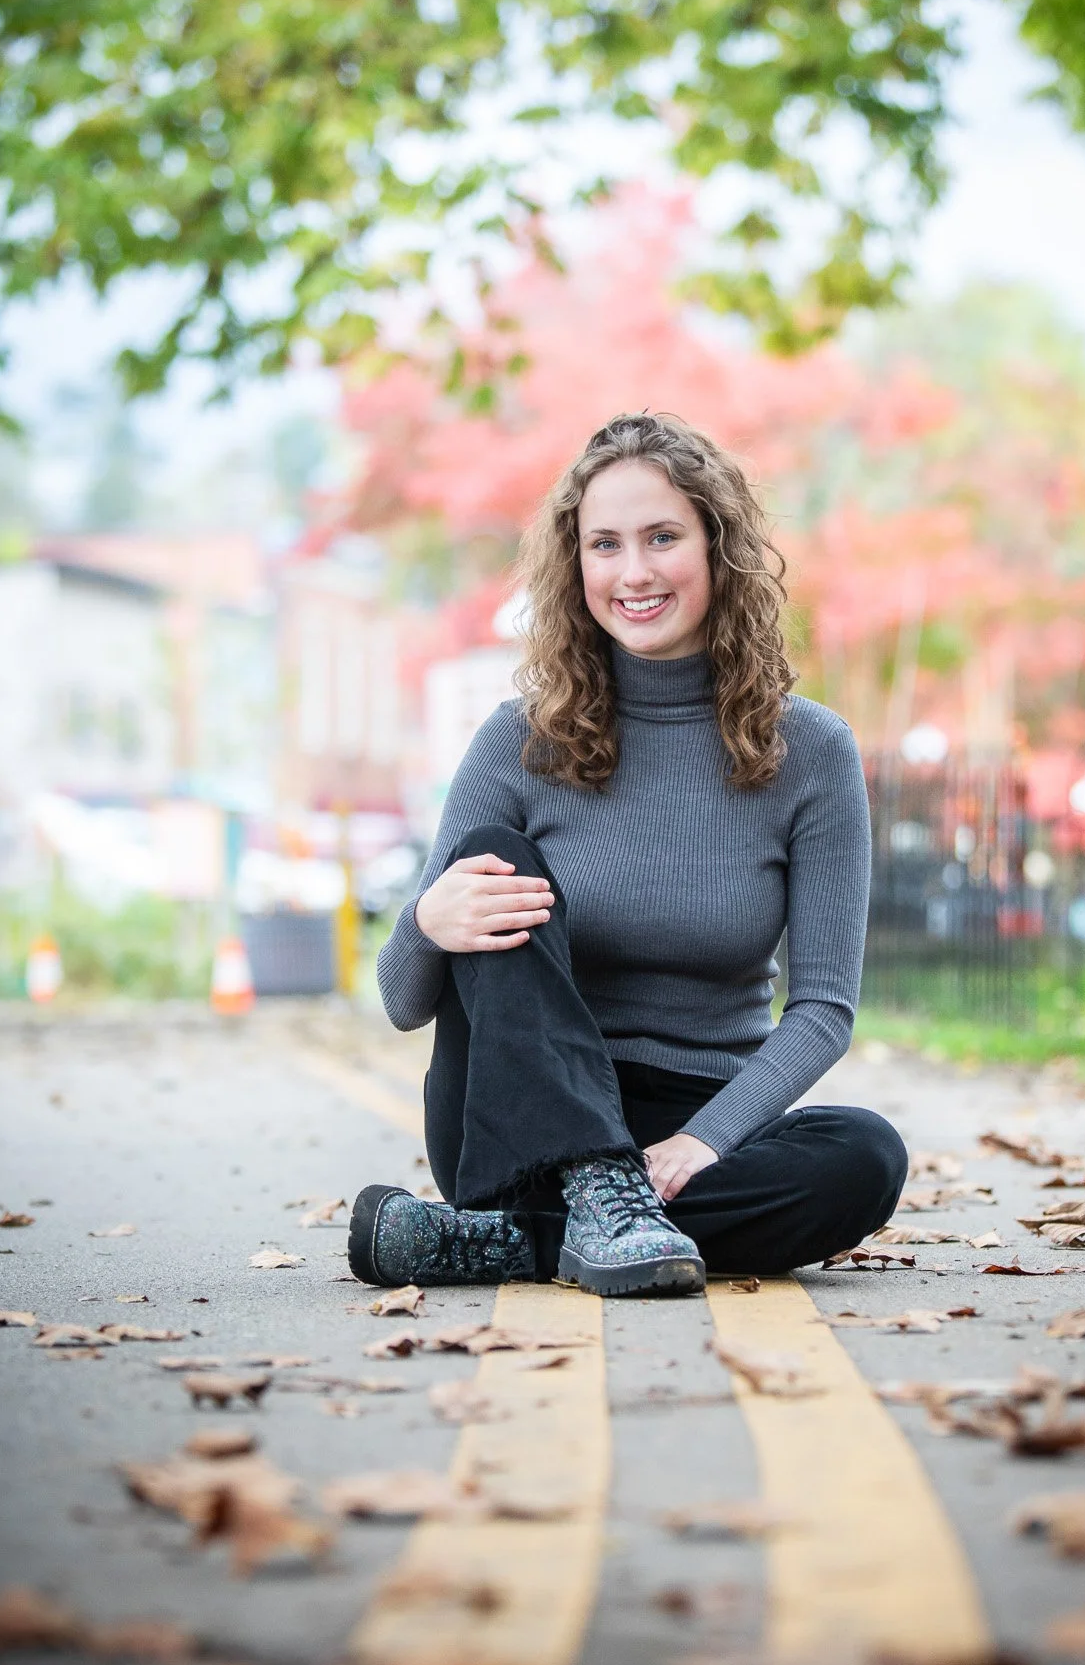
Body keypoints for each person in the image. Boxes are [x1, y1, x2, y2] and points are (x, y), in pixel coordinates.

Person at [349, 412, 906, 1297]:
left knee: (866, 1156)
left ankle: (509, 1244)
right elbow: (402, 1000)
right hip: (520, 1122)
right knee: (494, 859)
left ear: (717, 550)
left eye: (661, 538)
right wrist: (426, 922)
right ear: (575, 567)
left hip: (692, 1127)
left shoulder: (811, 753)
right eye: (604, 544)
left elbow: (824, 1010)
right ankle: (590, 1200)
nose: (633, 571)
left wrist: (703, 1142)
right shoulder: (515, 742)